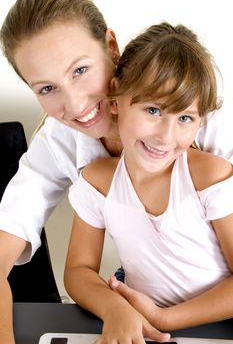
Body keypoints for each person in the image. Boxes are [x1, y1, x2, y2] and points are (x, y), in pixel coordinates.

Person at [0, 0, 232, 343]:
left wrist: (163, 315)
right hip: (137, 296)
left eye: (80, 71)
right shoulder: (65, 150)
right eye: (47, 88)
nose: (75, 104)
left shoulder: (204, 120)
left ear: (110, 46)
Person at [64, 22, 233, 344]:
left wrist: (162, 317)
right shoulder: (97, 182)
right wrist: (116, 310)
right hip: (142, 325)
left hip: (217, 327)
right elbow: (78, 270)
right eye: (153, 110)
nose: (166, 137)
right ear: (115, 99)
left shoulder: (209, 177)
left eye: (185, 118)